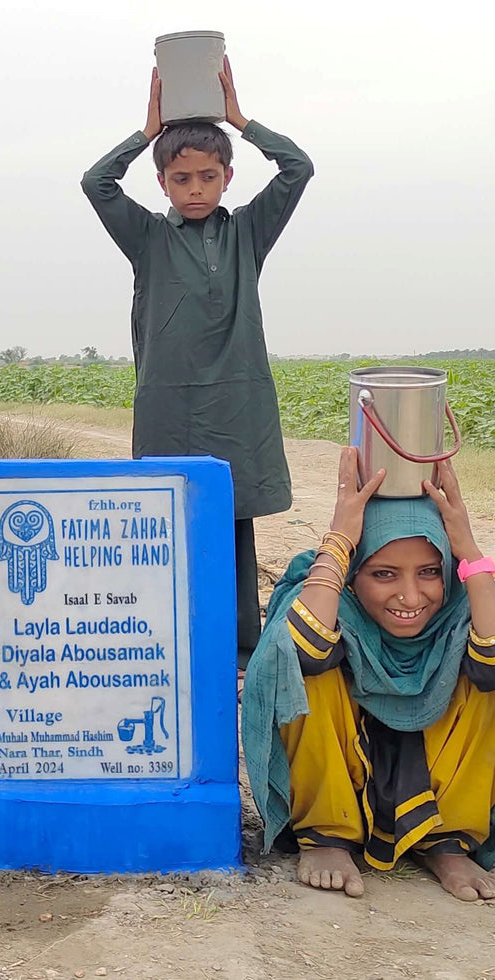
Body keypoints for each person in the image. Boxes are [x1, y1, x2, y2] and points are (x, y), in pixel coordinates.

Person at [81, 57, 314, 667]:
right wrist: (148, 134)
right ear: (162, 184)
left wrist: (239, 119)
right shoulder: (147, 238)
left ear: (227, 177)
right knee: (168, 522)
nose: (195, 190)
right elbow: (95, 183)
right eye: (181, 180)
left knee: (233, 524)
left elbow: (298, 168)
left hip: (237, 400)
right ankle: (166, 641)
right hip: (169, 403)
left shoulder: (248, 235)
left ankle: (239, 651)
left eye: (207, 177)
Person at [243, 447, 495, 900]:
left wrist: (469, 550)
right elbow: (303, 651)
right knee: (299, 667)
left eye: (430, 572)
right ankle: (326, 834)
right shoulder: (328, 591)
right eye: (383, 574)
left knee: (488, 676)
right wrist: (340, 540)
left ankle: (446, 841)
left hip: (439, 771)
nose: (410, 595)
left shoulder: (461, 604)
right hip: (350, 772)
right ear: (353, 576)